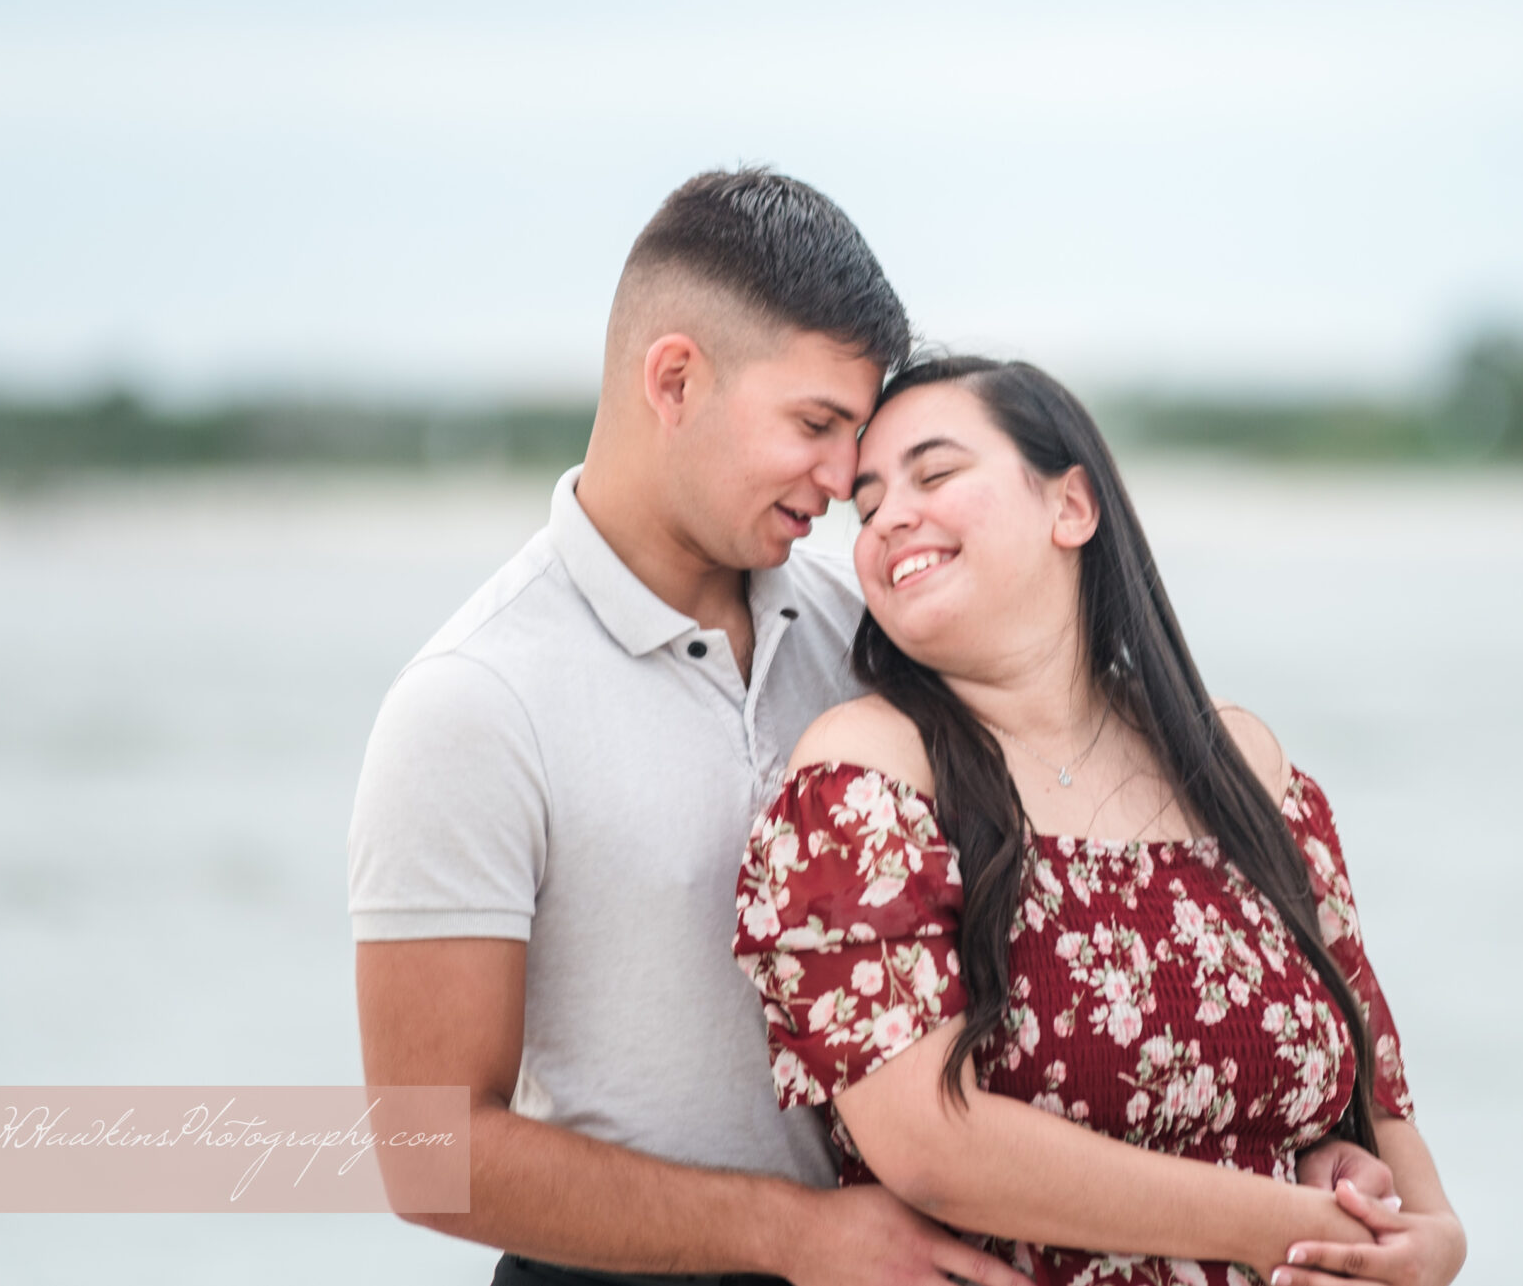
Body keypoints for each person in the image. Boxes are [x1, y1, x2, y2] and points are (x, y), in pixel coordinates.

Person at [348, 169, 1024, 1284]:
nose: (845, 477)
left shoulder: (871, 639)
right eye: (815, 424)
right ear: (674, 378)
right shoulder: (472, 703)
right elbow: (429, 1154)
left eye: (854, 432)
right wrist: (791, 1234)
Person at [733, 357, 1468, 1286]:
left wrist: (1430, 1242)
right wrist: (1284, 1224)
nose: (889, 519)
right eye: (869, 504)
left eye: (935, 473)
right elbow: (928, 1143)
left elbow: (1378, 1105)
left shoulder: (1242, 764)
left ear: (1071, 506)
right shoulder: (865, 773)